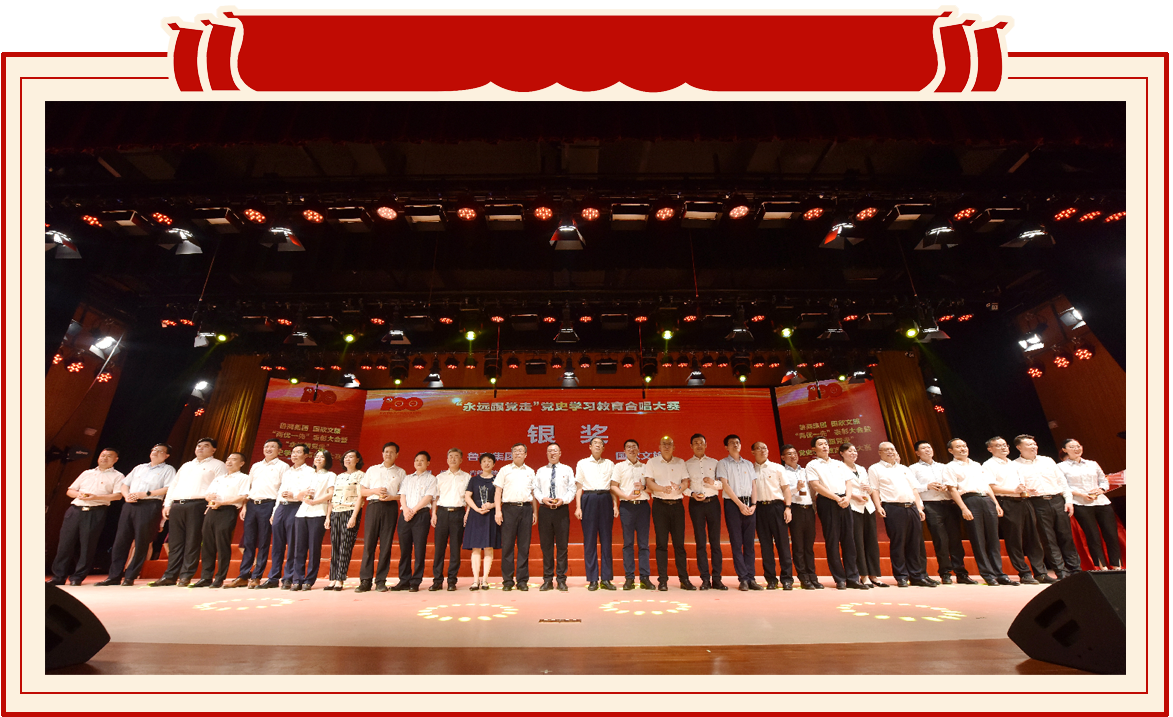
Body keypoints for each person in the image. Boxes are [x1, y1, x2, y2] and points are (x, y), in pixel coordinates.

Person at [150, 438, 226, 587]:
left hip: (198, 505)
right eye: (199, 446)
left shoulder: (218, 465)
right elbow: (174, 485)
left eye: (205, 446)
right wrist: (168, 504)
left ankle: (186, 575)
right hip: (178, 504)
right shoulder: (186, 465)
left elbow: (221, 486)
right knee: (175, 542)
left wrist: (212, 504)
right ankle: (170, 576)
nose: (200, 448)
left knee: (192, 541)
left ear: (213, 450)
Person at [97, 443, 175, 586]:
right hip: (130, 504)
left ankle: (130, 576)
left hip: (150, 504)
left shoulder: (168, 469)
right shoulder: (139, 467)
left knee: (141, 542)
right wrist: (126, 496)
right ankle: (114, 576)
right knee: (121, 541)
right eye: (154, 450)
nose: (155, 452)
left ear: (166, 455)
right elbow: (125, 484)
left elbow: (168, 488)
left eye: (160, 451)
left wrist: (146, 494)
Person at [48, 448, 124, 586]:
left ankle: (77, 577)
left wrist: (96, 497)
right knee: (65, 544)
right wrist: (78, 494)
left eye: (109, 456)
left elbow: (118, 496)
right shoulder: (87, 473)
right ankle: (58, 576)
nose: (104, 458)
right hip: (75, 510)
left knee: (87, 546)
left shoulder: (118, 476)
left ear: (115, 460)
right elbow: (70, 491)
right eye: (102, 455)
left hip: (95, 511)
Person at [944, 438, 1012, 586]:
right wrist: (963, 508)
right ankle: (988, 574)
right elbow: (952, 489)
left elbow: (987, 486)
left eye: (964, 445)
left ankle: (999, 573)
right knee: (978, 539)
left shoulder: (976, 464)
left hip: (986, 499)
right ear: (951, 451)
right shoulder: (950, 467)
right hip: (969, 500)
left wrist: (995, 503)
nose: (963, 449)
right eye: (958, 447)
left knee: (993, 538)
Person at [866, 442, 934, 588]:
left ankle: (917, 576)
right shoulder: (875, 468)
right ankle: (901, 576)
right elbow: (875, 490)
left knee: (915, 543)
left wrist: (919, 508)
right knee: (898, 543)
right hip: (893, 508)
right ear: (880, 452)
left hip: (911, 507)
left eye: (892, 449)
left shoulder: (904, 468)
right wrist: (878, 506)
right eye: (886, 450)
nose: (890, 452)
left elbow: (914, 489)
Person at [983, 436, 1050, 585]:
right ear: (990, 449)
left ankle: (1040, 572)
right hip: (1007, 502)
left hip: (1024, 501)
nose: (1003, 447)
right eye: (998, 445)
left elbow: (1019, 485)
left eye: (1005, 445)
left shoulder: (1013, 463)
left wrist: (1026, 490)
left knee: (1033, 538)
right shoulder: (989, 465)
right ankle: (1024, 573)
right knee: (1015, 540)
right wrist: (1013, 491)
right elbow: (991, 487)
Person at [1014, 434, 1081, 578]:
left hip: (1057, 500)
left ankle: (1075, 569)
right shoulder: (1015, 465)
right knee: (1048, 539)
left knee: (1066, 537)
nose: (1033, 446)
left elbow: (1062, 481)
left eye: (1034, 444)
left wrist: (1068, 500)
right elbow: (1016, 486)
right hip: (1036, 502)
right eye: (1029, 444)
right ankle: (1061, 571)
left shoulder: (1047, 460)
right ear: (1019, 447)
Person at [806, 436, 868, 590]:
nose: (824, 446)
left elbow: (848, 482)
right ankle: (839, 578)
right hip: (827, 502)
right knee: (832, 541)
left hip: (844, 501)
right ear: (814, 449)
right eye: (820, 444)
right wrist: (836, 498)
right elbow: (816, 486)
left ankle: (853, 578)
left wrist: (847, 497)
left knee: (849, 541)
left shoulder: (839, 464)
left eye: (826, 443)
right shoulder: (812, 465)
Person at [910, 441, 975, 585]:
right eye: (923, 448)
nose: (928, 450)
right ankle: (945, 573)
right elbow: (912, 488)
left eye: (929, 447)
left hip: (949, 503)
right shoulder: (913, 469)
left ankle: (961, 573)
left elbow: (954, 483)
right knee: (940, 540)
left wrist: (947, 486)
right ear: (917, 453)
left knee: (955, 539)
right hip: (931, 504)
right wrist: (927, 486)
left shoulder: (944, 466)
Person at [226, 438, 286, 589]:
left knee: (263, 542)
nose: (268, 449)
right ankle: (243, 576)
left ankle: (256, 576)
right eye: (266, 446)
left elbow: (281, 490)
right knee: (249, 541)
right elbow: (249, 487)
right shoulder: (256, 466)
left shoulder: (283, 466)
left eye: (272, 446)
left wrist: (275, 510)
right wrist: (245, 506)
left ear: (279, 450)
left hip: (268, 504)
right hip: (252, 504)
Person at [1057, 438, 1123, 570]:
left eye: (1078, 446)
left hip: (1101, 501)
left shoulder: (1092, 463)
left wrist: (1101, 489)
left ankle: (1117, 565)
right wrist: (1081, 495)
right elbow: (1062, 487)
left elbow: (1103, 480)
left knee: (1111, 534)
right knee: (1092, 535)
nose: (1076, 449)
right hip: (1080, 503)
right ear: (1064, 450)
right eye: (1072, 447)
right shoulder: (1060, 467)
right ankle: (1101, 567)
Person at [258, 443, 312, 590]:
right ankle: (273, 577)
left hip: (296, 506)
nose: (294, 455)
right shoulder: (287, 471)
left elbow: (308, 491)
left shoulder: (310, 472)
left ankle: (289, 577)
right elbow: (280, 492)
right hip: (281, 507)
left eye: (298, 452)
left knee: (293, 544)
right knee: (277, 544)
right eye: (293, 452)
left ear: (306, 455)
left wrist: (294, 495)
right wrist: (275, 511)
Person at [192, 452, 250, 587]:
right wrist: (209, 497)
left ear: (241, 463)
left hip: (227, 511)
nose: (229, 462)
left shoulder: (244, 478)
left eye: (234, 459)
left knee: (222, 544)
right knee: (207, 544)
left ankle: (219, 577)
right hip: (212, 510)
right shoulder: (219, 478)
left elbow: (243, 496)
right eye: (228, 459)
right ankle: (206, 577)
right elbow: (207, 494)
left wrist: (222, 503)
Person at [644, 436, 694, 591]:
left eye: (669, 444)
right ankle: (663, 580)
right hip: (660, 506)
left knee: (679, 545)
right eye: (664, 444)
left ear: (674, 447)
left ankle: (684, 579)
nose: (666, 446)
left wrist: (680, 487)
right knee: (661, 544)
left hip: (677, 506)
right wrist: (661, 489)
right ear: (659, 447)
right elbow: (649, 482)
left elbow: (686, 481)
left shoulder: (680, 462)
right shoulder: (652, 462)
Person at [355, 442, 405, 593]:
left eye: (392, 452)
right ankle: (365, 581)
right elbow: (362, 492)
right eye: (386, 451)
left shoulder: (401, 472)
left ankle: (381, 581)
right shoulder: (372, 469)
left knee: (386, 544)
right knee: (369, 544)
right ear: (382, 453)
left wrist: (392, 497)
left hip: (390, 507)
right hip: (373, 506)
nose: (388, 454)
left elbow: (404, 494)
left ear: (397, 455)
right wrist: (375, 491)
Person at [575, 437, 619, 591]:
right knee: (590, 540)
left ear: (603, 448)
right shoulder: (582, 463)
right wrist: (578, 507)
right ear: (590, 446)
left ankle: (606, 579)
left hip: (605, 499)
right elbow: (579, 487)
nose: (598, 446)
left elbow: (613, 487)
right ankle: (593, 579)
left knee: (606, 540)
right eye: (595, 443)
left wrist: (615, 505)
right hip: (589, 499)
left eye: (600, 444)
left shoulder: (610, 464)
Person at [842, 442, 887, 588]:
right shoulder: (840, 468)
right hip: (853, 507)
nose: (853, 453)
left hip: (868, 507)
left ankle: (874, 575)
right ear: (842, 453)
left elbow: (871, 488)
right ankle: (863, 575)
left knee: (871, 541)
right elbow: (841, 488)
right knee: (858, 542)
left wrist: (869, 489)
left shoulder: (861, 468)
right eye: (849, 451)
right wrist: (854, 496)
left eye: (855, 450)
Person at [750, 441, 794, 590]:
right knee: (765, 546)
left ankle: (787, 579)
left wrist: (788, 507)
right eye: (759, 448)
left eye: (765, 448)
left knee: (783, 544)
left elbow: (786, 489)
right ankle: (771, 579)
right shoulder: (750, 469)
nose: (763, 450)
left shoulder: (777, 468)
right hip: (759, 509)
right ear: (753, 452)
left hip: (777, 507)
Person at [718, 434, 759, 591]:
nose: (735, 445)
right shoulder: (723, 463)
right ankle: (743, 578)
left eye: (737, 442)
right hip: (733, 504)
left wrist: (753, 504)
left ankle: (751, 578)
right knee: (736, 542)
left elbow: (753, 485)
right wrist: (740, 505)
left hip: (749, 503)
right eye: (732, 443)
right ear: (726, 447)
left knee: (749, 543)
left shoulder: (748, 464)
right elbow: (725, 485)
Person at [494, 443, 537, 591]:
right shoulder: (504, 470)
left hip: (526, 509)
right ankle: (507, 581)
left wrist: (535, 512)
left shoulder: (530, 471)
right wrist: (498, 511)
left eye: (520, 451)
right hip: (508, 509)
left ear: (526, 454)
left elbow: (533, 494)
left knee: (524, 546)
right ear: (511, 454)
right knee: (507, 546)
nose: (518, 453)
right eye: (515, 451)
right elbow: (498, 492)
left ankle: (522, 580)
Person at [289, 449, 334, 591]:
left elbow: (331, 494)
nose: (318, 458)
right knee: (299, 548)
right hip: (302, 512)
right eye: (317, 456)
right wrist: (304, 494)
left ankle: (309, 580)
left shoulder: (330, 475)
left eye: (322, 457)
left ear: (327, 460)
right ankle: (297, 579)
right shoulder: (308, 474)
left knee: (314, 547)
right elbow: (299, 495)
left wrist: (316, 502)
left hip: (318, 512)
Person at [612, 439, 653, 591]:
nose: (631, 449)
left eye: (634, 447)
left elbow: (652, 489)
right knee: (628, 543)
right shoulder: (619, 467)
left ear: (639, 450)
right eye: (628, 447)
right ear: (624, 451)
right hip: (627, 507)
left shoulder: (646, 467)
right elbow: (613, 486)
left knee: (643, 544)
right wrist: (626, 496)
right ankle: (629, 578)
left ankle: (645, 578)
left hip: (643, 507)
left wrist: (643, 487)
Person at [393, 451, 438, 592]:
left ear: (428, 463)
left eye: (422, 460)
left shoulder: (432, 479)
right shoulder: (407, 478)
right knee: (404, 550)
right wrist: (406, 510)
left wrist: (413, 511)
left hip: (421, 515)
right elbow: (402, 495)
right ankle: (404, 580)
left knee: (419, 550)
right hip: (405, 515)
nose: (419, 462)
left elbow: (428, 497)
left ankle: (415, 581)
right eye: (416, 460)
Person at [684, 433, 724, 591]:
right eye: (696, 443)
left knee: (715, 542)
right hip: (696, 504)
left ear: (706, 445)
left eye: (701, 442)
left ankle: (717, 579)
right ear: (691, 446)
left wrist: (713, 483)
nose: (699, 445)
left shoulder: (715, 462)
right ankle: (705, 579)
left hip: (713, 503)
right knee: (700, 542)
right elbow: (683, 486)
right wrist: (691, 494)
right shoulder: (686, 464)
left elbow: (722, 485)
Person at [534, 443, 576, 591]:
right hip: (545, 510)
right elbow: (536, 489)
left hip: (561, 510)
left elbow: (572, 489)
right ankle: (547, 580)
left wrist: (563, 500)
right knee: (546, 547)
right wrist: (542, 499)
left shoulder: (567, 469)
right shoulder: (540, 471)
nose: (552, 453)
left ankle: (561, 579)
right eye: (550, 451)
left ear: (560, 453)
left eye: (555, 451)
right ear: (546, 454)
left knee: (562, 546)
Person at [780, 444, 820, 590]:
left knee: (809, 546)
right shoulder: (783, 472)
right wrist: (795, 489)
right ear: (783, 457)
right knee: (798, 546)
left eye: (795, 453)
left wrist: (814, 505)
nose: (793, 456)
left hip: (808, 509)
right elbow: (781, 492)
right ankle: (803, 578)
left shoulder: (804, 471)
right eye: (789, 454)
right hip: (795, 509)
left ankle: (813, 576)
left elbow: (811, 490)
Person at [431, 448, 471, 591]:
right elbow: (435, 498)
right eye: (451, 456)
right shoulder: (440, 477)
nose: (453, 459)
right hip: (442, 513)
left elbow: (469, 498)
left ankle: (452, 581)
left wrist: (467, 514)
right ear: (447, 460)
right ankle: (437, 581)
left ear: (461, 460)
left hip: (458, 513)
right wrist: (434, 514)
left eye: (456, 456)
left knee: (455, 549)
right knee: (439, 549)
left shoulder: (467, 477)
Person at [326, 449, 364, 591]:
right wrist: (328, 516)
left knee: (345, 545)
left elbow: (360, 497)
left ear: (357, 460)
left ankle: (340, 578)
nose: (347, 459)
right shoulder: (339, 477)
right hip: (336, 511)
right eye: (345, 457)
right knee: (335, 545)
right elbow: (332, 497)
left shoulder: (361, 476)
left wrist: (354, 516)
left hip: (350, 511)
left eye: (351, 457)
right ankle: (332, 578)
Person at [463, 453, 502, 590]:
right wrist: (476, 509)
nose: (486, 463)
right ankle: (475, 580)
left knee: (488, 547)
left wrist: (491, 505)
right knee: (475, 548)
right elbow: (467, 496)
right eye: (484, 461)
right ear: (480, 464)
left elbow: (501, 498)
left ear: (494, 464)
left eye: (489, 461)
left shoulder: (497, 480)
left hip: (490, 516)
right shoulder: (474, 480)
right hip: (476, 515)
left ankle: (485, 580)